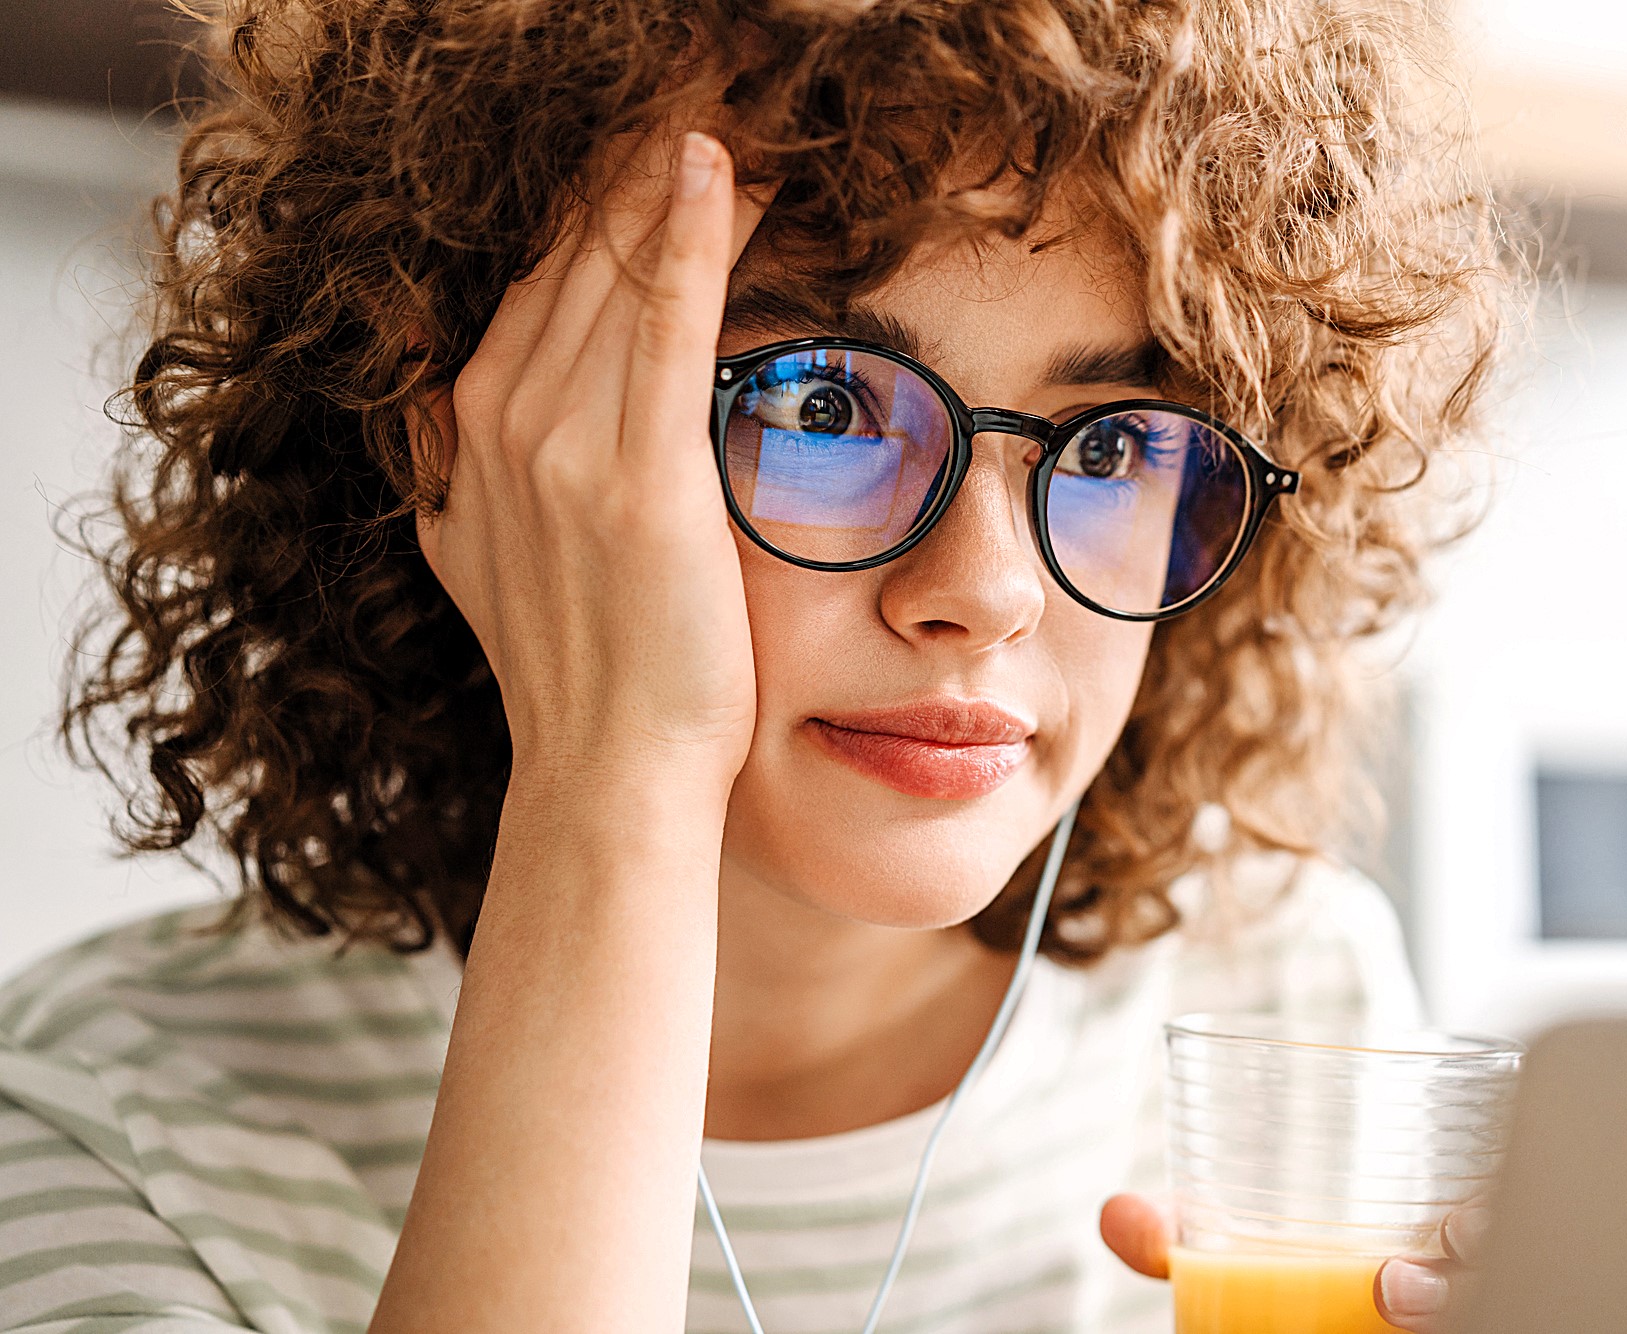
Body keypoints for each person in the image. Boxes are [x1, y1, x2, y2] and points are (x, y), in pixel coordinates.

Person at [0, 0, 1508, 1329]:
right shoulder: (117, 1116)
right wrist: (617, 778)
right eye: (823, 408)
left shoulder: (1288, 1001)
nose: (985, 594)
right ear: (464, 423)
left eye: (1112, 442)